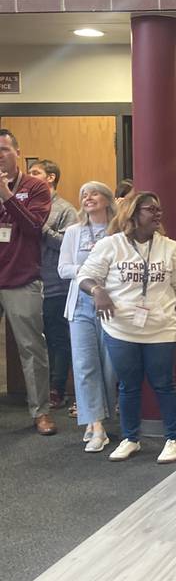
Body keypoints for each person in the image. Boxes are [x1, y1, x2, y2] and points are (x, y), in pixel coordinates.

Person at [77, 192, 176, 463]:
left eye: (159, 209)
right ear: (132, 213)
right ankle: (131, 438)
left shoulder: (169, 247)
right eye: (150, 209)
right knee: (128, 386)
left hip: (161, 328)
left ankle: (174, 438)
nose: (158, 214)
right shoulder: (111, 245)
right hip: (121, 329)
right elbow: (85, 275)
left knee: (163, 383)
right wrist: (97, 290)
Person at [0, 128, 55, 435]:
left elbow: (34, 227)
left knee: (32, 349)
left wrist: (6, 194)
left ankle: (41, 412)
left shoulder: (35, 187)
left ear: (17, 152)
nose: (0, 156)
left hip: (21, 280)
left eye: (4, 150)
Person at [58, 181, 117, 452]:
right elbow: (63, 268)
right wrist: (88, 268)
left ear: (107, 199)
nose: (87, 198)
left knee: (108, 366)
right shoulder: (73, 232)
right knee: (84, 365)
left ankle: (99, 419)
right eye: (83, 194)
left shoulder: (117, 232)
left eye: (93, 193)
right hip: (79, 304)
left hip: (110, 304)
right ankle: (96, 425)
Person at [29, 159, 78, 409]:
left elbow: (67, 246)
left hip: (56, 285)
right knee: (35, 340)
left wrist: (43, 227)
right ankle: (37, 390)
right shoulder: (26, 205)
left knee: (58, 339)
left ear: (50, 178)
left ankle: (56, 389)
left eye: (35, 172)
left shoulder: (65, 209)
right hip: (29, 283)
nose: (30, 176)